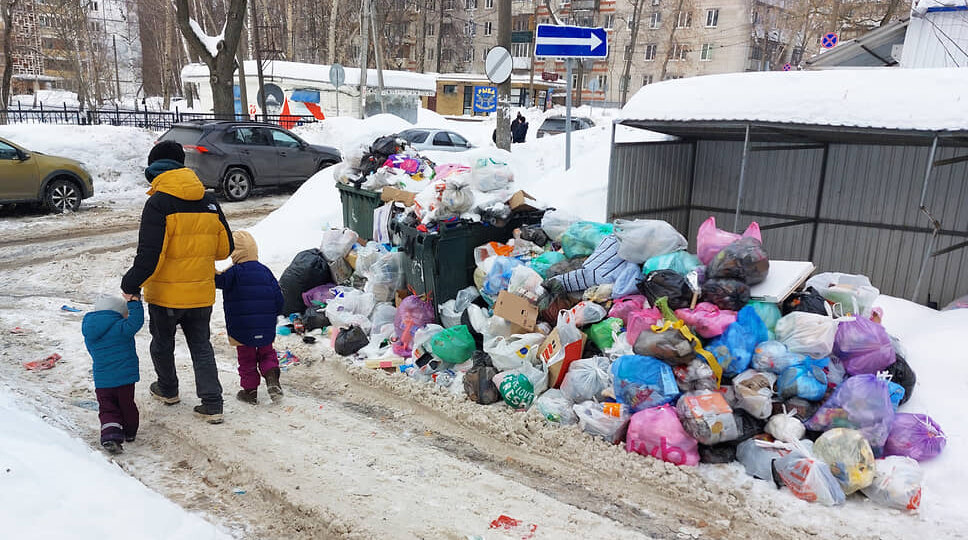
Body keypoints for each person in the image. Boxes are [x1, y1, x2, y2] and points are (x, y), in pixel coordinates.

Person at [121, 140, 233, 424]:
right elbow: (225, 249)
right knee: (201, 347)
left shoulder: (158, 203)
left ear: (155, 170)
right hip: (200, 294)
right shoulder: (209, 201)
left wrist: (130, 284)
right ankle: (212, 403)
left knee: (162, 343)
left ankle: (168, 389)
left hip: (166, 296)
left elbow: (150, 255)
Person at [215, 230, 285, 404]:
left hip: (242, 327)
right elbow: (279, 297)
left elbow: (218, 281)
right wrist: (273, 314)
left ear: (235, 252)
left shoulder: (234, 272)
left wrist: (208, 264)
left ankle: (250, 391)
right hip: (265, 325)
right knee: (267, 353)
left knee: (246, 359)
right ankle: (272, 379)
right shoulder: (265, 271)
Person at [82, 295, 144, 454]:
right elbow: (136, 322)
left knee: (108, 408)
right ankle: (129, 433)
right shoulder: (121, 327)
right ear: (118, 313)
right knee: (126, 405)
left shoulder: (90, 331)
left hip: (102, 380)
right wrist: (134, 303)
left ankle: (110, 435)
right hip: (124, 379)